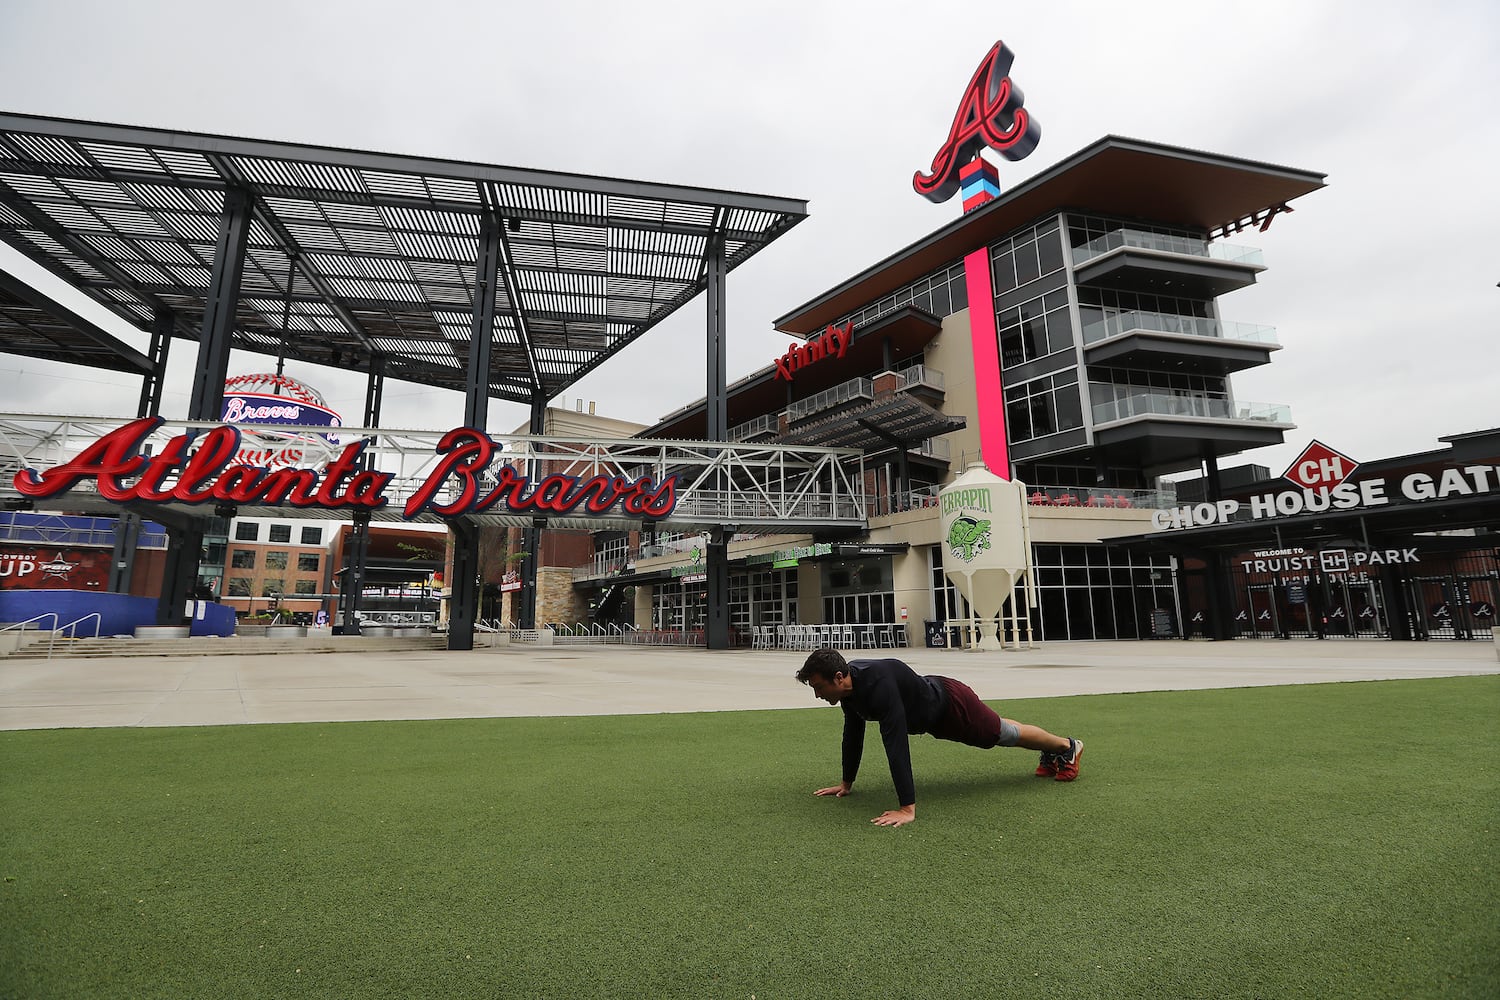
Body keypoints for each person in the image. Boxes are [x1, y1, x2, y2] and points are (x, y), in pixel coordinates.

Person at [796, 647, 1082, 827]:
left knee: (1000, 734)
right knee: (1001, 729)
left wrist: (907, 807)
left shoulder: (879, 684)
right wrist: (847, 783)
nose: (817, 694)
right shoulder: (850, 690)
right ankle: (1052, 750)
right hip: (935, 713)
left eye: (819, 687)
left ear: (837, 677)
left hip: (953, 707)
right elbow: (853, 733)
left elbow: (895, 745)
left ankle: (1067, 747)